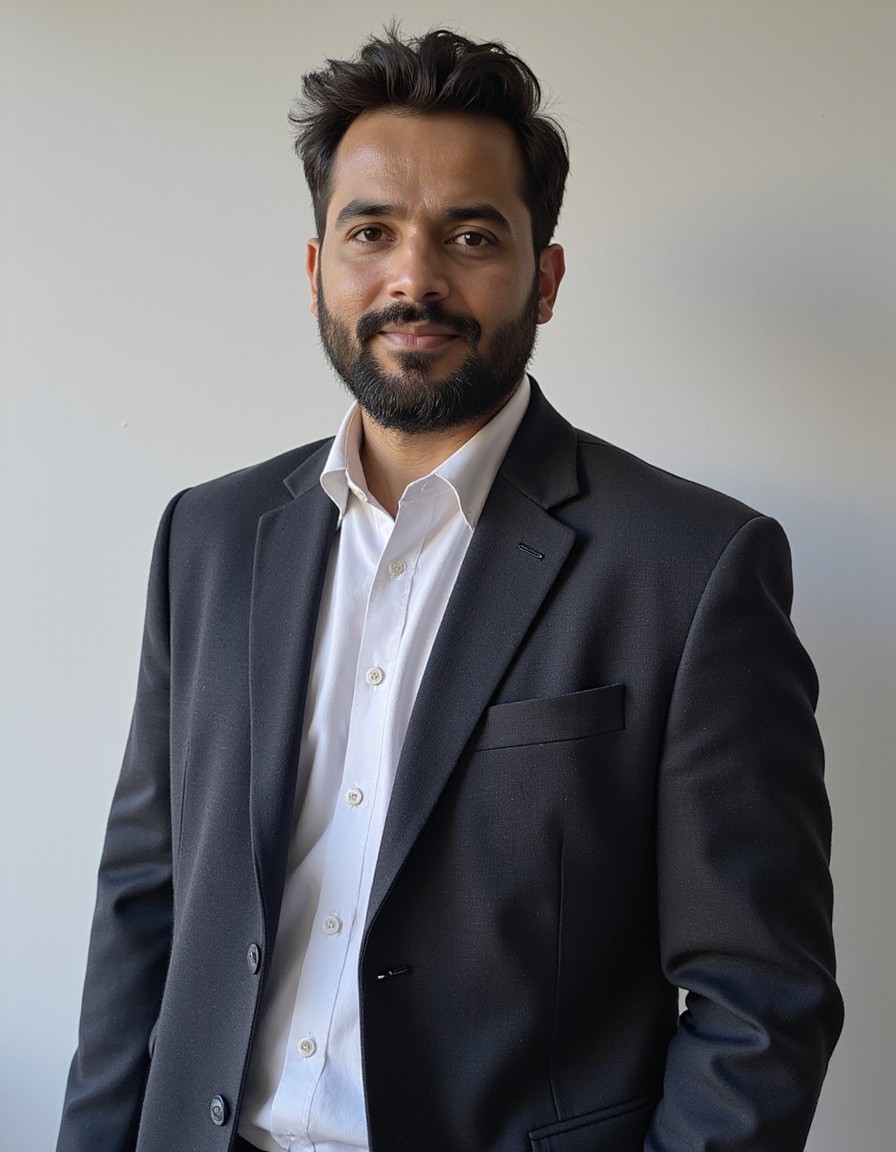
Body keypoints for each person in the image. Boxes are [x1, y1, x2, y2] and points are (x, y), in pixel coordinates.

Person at [57, 26, 843, 1152]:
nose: (413, 279)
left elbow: (759, 1001)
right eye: (370, 231)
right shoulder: (209, 538)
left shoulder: (691, 569)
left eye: (470, 235)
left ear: (545, 278)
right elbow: (143, 907)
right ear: (317, 267)